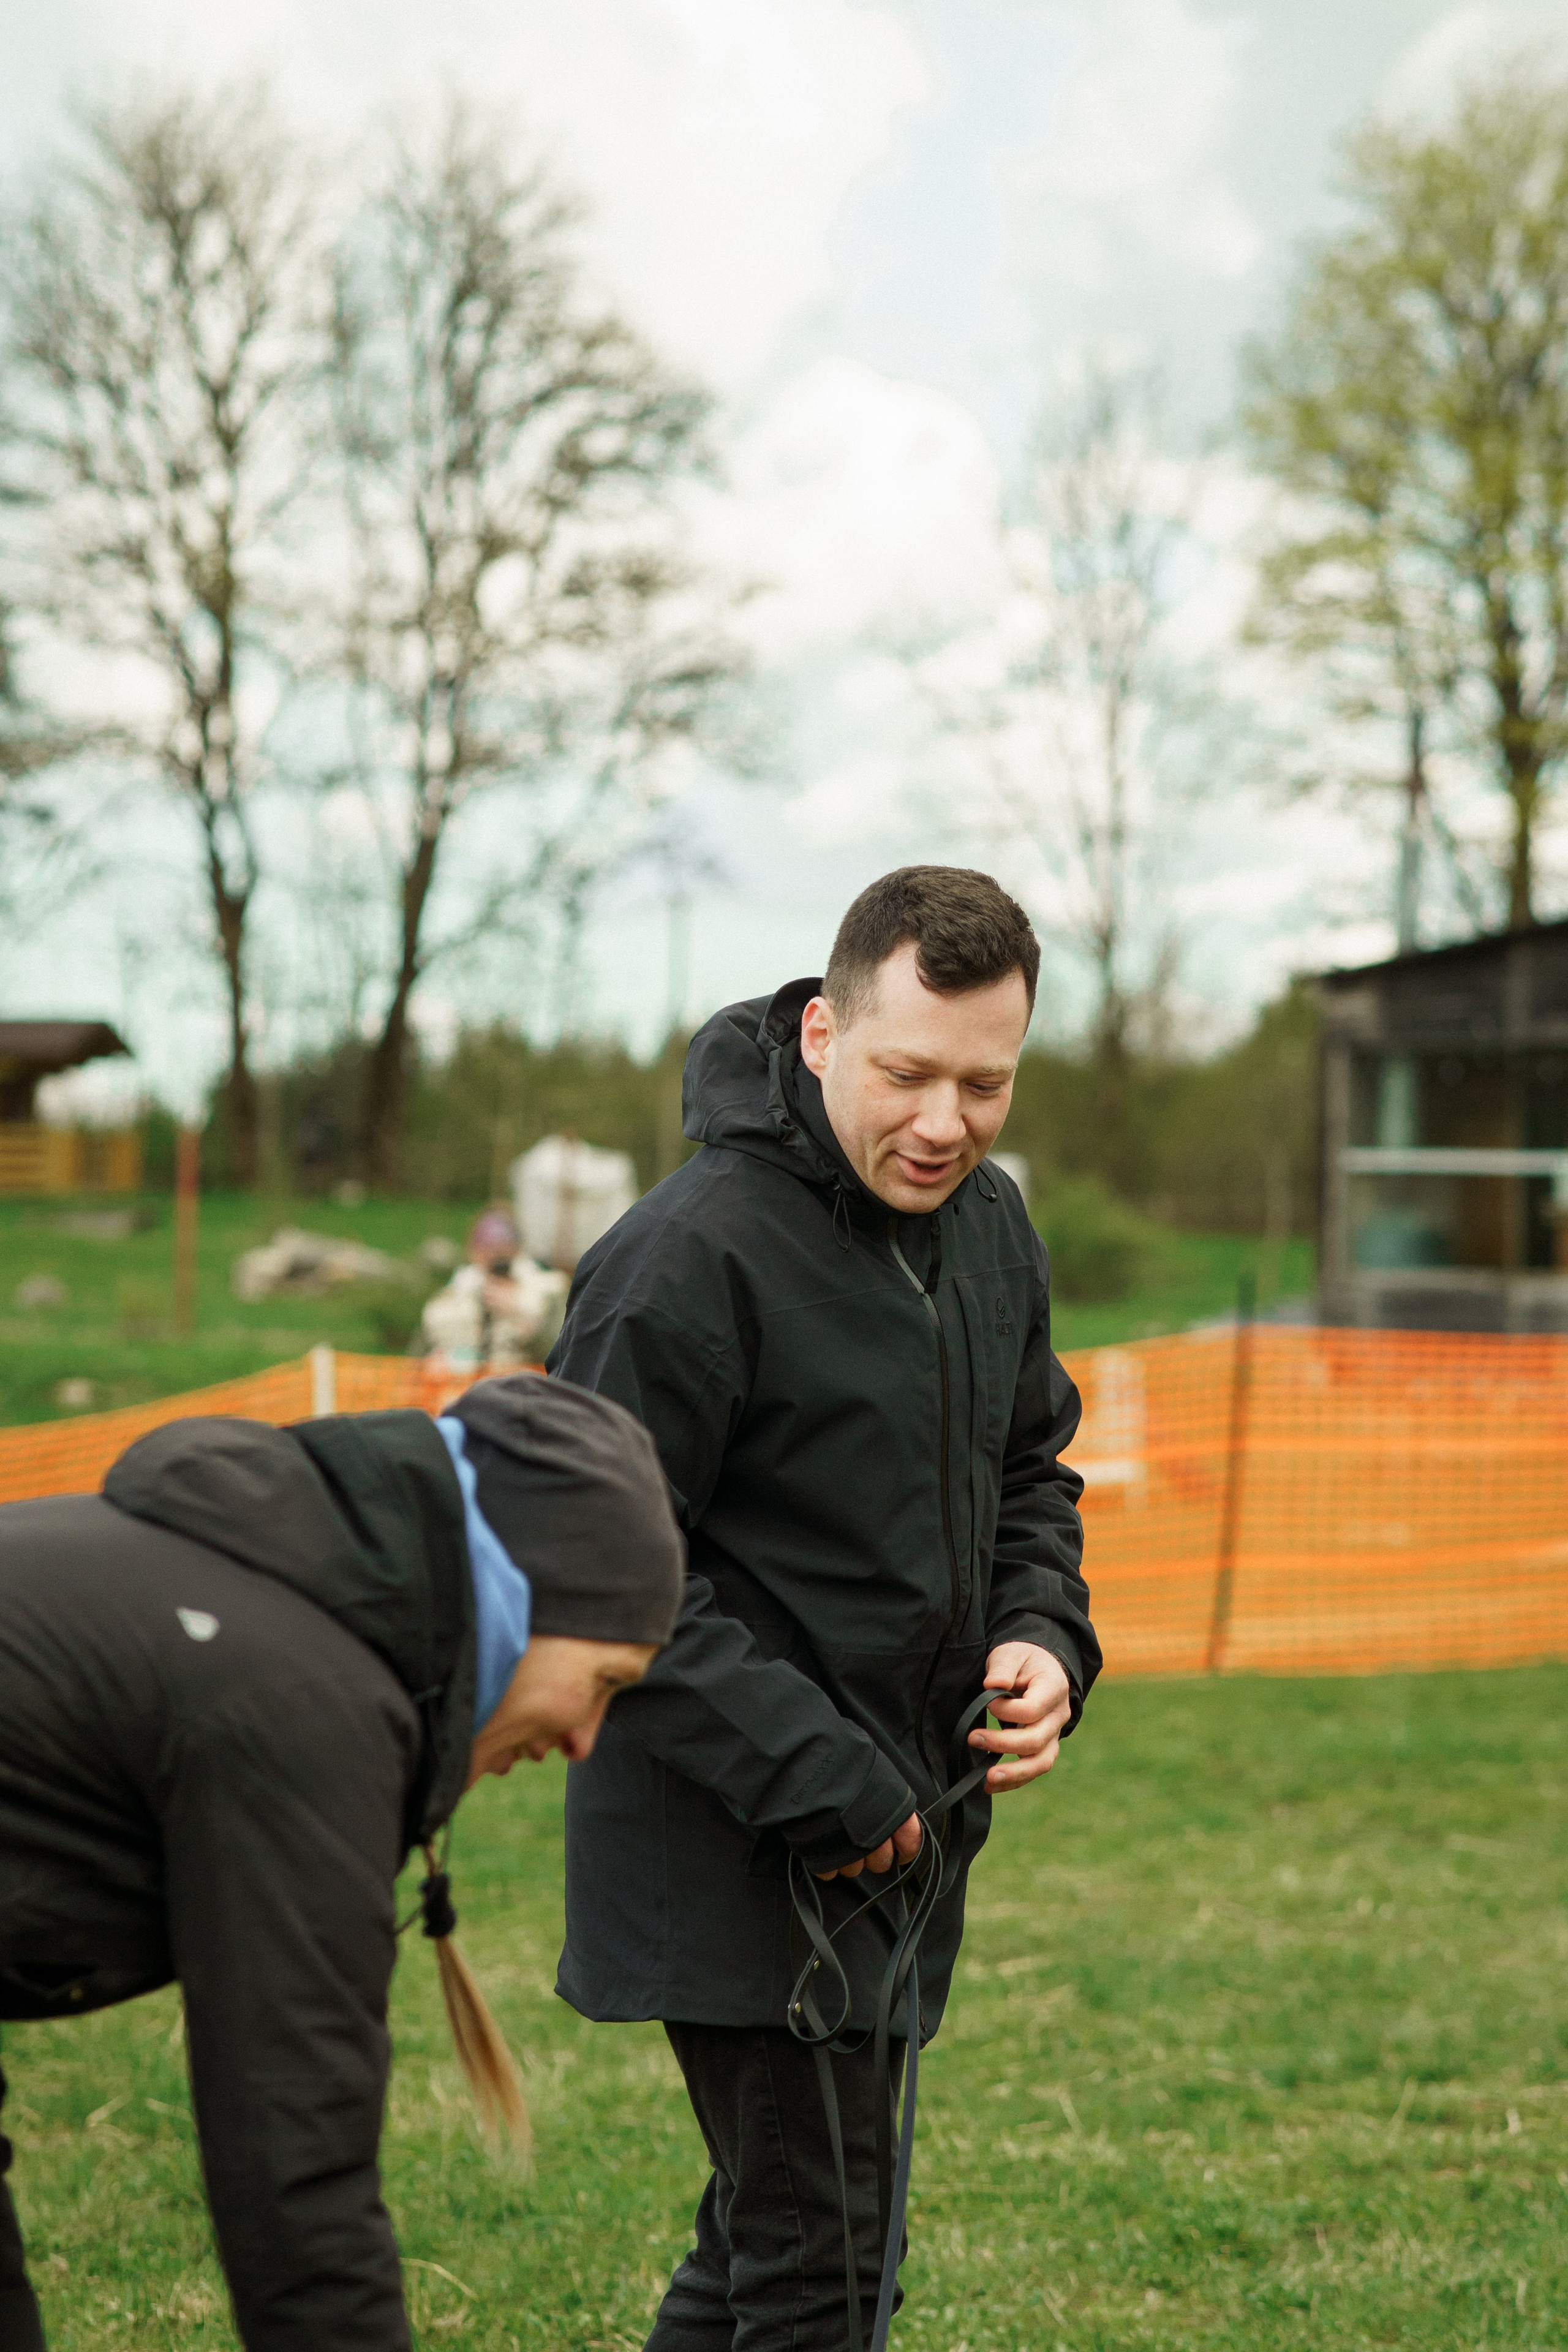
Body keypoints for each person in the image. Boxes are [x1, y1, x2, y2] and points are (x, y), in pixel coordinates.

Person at [549, 865, 1101, 2350]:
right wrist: (827, 1779)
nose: (943, 1122)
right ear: (816, 1032)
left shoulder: (987, 1231)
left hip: (898, 1834)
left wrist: (1041, 1635)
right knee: (825, 2268)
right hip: (744, 1841)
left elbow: (1027, 1473)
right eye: (904, 1072)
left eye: (982, 1083)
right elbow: (592, 1563)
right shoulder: (683, 1255)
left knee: (769, 2243)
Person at [0, 1374, 685, 2352]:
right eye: (605, 1681)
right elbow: (296, 2159)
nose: (586, 1740)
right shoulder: (306, 1701)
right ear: (520, 1602)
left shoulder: (267, 1611)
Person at [419, 1206, 569, 1372]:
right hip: (464, 1387)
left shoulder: (546, 1291)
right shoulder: (451, 1298)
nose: (495, 1260)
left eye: (503, 1251)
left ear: (517, 1250)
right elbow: (421, 1352)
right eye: (487, 1251)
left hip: (523, 1388)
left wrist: (521, 1311)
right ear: (473, 1251)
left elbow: (563, 1353)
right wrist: (433, 1362)